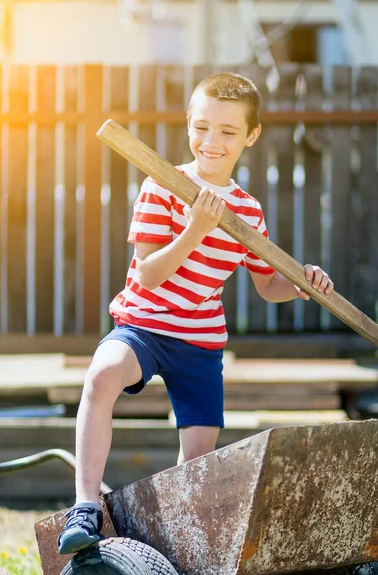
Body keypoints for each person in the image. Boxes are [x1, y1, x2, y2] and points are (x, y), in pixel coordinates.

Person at [57, 72, 334, 555]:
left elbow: (267, 285)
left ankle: (169, 544)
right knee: (102, 376)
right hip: (143, 324)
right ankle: (84, 507)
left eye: (228, 132)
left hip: (200, 341)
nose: (212, 141)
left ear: (250, 136)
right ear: (189, 124)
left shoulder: (247, 210)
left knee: (197, 459)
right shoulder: (163, 186)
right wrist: (194, 230)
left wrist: (300, 284)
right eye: (202, 127)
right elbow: (147, 275)